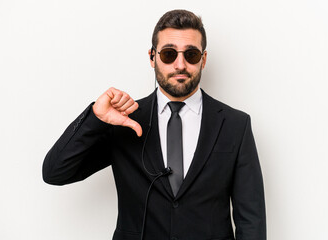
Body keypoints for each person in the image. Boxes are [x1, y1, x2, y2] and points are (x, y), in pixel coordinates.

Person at [43, 9, 266, 240]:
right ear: (152, 57)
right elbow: (54, 172)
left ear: (204, 59)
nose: (180, 65)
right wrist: (94, 118)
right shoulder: (124, 120)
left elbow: (251, 219)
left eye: (191, 55)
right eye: (169, 54)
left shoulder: (235, 125)